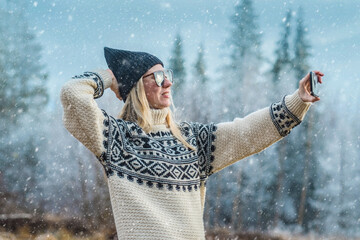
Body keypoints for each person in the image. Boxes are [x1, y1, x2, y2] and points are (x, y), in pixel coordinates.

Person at [60, 47, 324, 239]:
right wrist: (108, 77)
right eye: (159, 76)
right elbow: (73, 94)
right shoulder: (116, 138)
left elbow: (247, 134)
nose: (169, 82)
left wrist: (297, 101)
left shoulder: (191, 141)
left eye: (168, 74)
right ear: (138, 87)